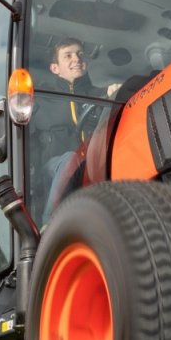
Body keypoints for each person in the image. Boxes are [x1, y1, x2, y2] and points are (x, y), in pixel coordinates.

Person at [30, 39, 120, 218]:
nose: (76, 59)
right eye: (68, 55)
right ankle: (51, 224)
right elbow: (28, 144)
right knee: (69, 160)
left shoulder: (102, 96)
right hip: (52, 171)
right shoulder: (42, 101)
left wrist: (115, 96)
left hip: (92, 169)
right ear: (55, 68)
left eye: (80, 54)